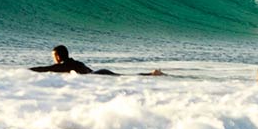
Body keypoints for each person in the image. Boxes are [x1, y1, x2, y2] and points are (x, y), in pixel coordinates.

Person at [30, 45, 163, 76]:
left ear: (58, 56)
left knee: (125, 76)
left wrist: (26, 71)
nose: (54, 59)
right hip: (100, 73)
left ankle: (151, 74)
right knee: (125, 75)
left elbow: (46, 68)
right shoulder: (74, 62)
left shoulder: (64, 65)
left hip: (99, 74)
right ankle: (151, 74)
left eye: (54, 56)